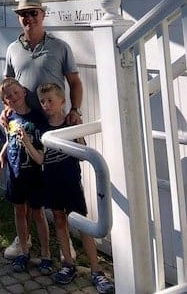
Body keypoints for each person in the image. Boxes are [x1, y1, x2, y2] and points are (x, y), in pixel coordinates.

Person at [2, 0, 84, 259]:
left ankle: (65, 244)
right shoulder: (12, 49)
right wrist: (7, 110)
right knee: (26, 183)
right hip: (25, 125)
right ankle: (23, 238)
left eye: (33, 13)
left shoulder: (60, 47)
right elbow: (9, 85)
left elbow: (75, 82)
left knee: (58, 181)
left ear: (42, 14)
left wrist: (75, 110)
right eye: (23, 14)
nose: (28, 18)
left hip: (53, 125)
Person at [37, 82, 114, 293]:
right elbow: (40, 156)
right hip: (51, 182)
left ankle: (96, 270)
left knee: (83, 225)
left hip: (71, 182)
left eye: (50, 100)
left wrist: (78, 130)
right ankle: (68, 264)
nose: (46, 105)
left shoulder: (71, 124)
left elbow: (83, 151)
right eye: (42, 101)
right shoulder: (41, 128)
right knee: (60, 221)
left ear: (62, 101)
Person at [0, 78, 53, 275]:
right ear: (5, 101)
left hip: (34, 174)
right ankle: (24, 251)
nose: (13, 97)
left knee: (38, 213)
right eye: (8, 96)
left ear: (24, 92)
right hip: (15, 173)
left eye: (15, 92)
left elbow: (44, 146)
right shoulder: (9, 118)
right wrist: (1, 155)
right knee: (19, 211)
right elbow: (10, 140)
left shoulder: (38, 117)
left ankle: (46, 254)